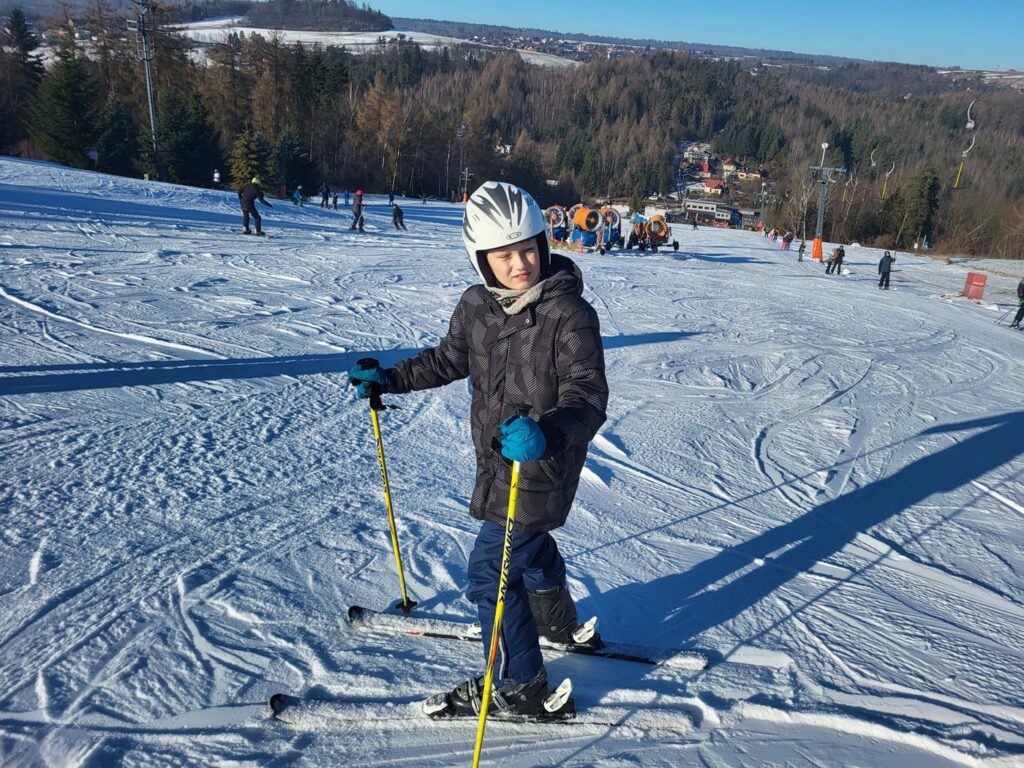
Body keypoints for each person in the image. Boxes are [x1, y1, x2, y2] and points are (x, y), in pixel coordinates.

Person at [348, 181, 608, 719]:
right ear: (482, 260)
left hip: (542, 465)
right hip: (496, 462)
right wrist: (389, 379)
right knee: (529, 550)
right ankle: (555, 621)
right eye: (505, 255)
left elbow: (587, 397)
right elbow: (448, 360)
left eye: (529, 248)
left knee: (492, 573)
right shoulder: (476, 307)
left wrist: (549, 434)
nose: (521, 263)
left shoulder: (569, 314)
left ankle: (523, 685)